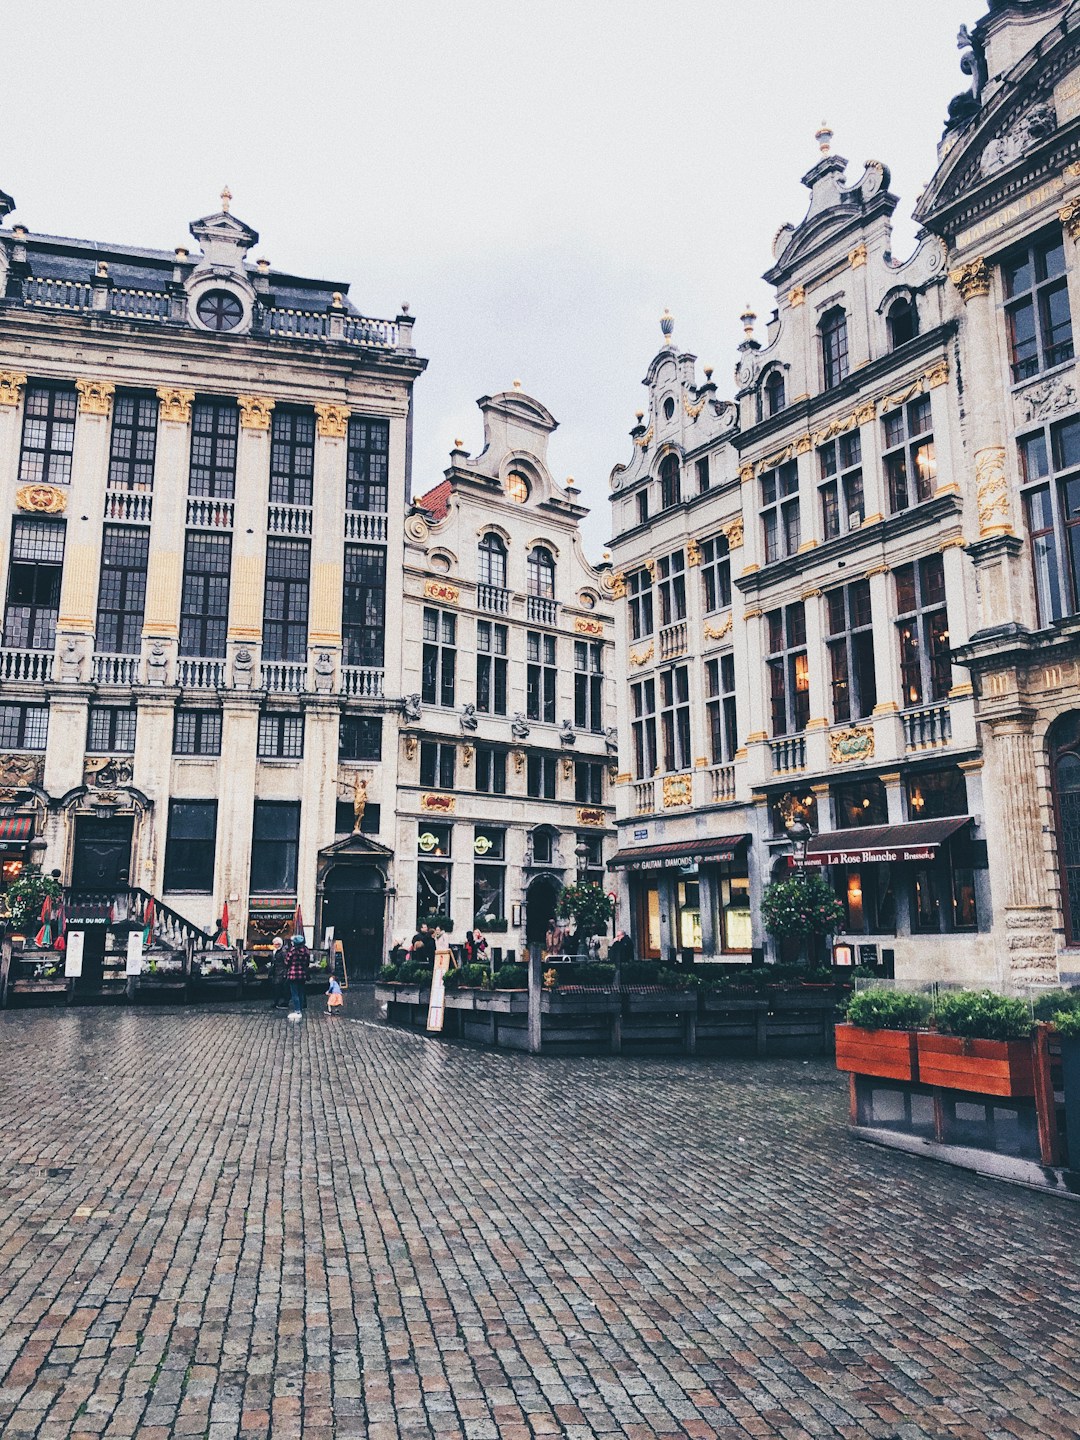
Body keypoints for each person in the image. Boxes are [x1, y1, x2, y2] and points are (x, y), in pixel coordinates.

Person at [285, 932, 310, 1020]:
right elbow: (307, 963)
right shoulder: (306, 951)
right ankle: (301, 1008)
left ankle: (297, 1010)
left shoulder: (292, 951)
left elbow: (287, 962)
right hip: (302, 974)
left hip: (293, 974)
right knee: (301, 992)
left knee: (294, 993)